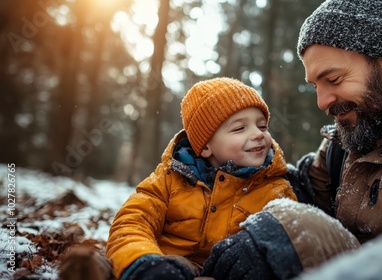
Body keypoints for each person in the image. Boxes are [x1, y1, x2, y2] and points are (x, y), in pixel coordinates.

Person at [200, 0, 382, 279]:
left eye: (333, 80)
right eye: (315, 85)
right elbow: (296, 189)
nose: (322, 101)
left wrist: (304, 242)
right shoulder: (363, 123)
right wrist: (196, 175)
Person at [59, 77, 298, 280]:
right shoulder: (169, 178)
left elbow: (288, 243)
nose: (258, 134)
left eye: (262, 126)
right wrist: (143, 260)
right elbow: (132, 221)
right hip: (159, 266)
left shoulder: (275, 189)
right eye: (239, 128)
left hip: (219, 275)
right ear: (204, 147)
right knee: (123, 262)